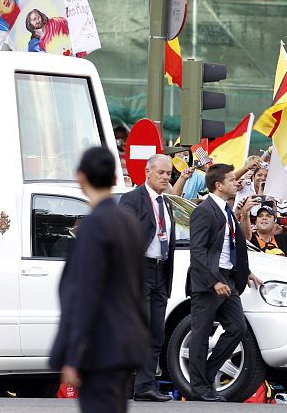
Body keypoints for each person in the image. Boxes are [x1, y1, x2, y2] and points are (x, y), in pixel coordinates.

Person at [49, 147, 148, 413]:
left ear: (81, 177)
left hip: (100, 346)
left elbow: (85, 293)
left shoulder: (94, 225)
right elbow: (137, 287)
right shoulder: (128, 222)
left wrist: (73, 354)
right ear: (115, 178)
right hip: (126, 342)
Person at [187, 163, 263, 402]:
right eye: (231, 180)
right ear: (218, 185)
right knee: (200, 335)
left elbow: (236, 244)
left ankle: (207, 373)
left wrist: (246, 271)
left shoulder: (226, 210)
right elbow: (197, 252)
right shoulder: (204, 210)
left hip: (229, 279)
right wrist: (213, 281)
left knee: (237, 327)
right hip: (209, 282)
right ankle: (198, 388)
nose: (236, 182)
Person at [118, 154, 176, 402]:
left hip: (160, 271)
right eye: (161, 172)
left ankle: (146, 386)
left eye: (168, 174)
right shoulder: (133, 199)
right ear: (147, 172)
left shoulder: (167, 203)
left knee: (156, 332)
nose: (165, 177)